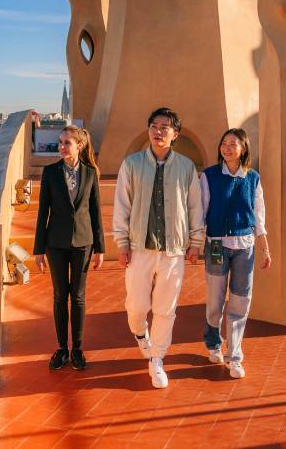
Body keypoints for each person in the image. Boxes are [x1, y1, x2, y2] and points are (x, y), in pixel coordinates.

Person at [112, 107, 203, 389]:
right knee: (137, 306)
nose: (158, 131)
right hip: (140, 247)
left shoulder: (186, 167)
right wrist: (122, 242)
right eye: (154, 125)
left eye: (165, 127)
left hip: (173, 250)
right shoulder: (132, 164)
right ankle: (141, 334)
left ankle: (158, 358)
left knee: (166, 309)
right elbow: (122, 206)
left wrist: (196, 242)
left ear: (175, 134)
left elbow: (194, 207)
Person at [33, 125, 104, 371]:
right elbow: (43, 211)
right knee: (60, 296)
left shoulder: (91, 173)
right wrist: (38, 249)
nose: (61, 147)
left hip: (84, 243)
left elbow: (95, 212)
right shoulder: (50, 172)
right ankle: (62, 348)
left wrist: (101, 247)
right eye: (60, 142)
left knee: (80, 297)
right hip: (55, 244)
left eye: (66, 143)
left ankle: (78, 350)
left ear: (79, 146)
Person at [201, 128, 271, 379]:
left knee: (240, 301)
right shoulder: (209, 176)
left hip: (245, 246)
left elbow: (259, 214)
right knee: (215, 300)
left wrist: (264, 247)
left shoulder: (252, 178)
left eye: (233, 144)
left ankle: (235, 356)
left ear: (244, 149)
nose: (227, 147)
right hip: (216, 245)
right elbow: (202, 210)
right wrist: (197, 243)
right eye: (224, 143)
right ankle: (213, 342)